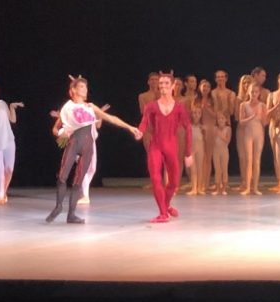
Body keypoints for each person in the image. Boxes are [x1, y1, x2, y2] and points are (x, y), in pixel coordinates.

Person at [48, 76, 141, 223]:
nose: (85, 90)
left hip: (88, 144)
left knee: (78, 180)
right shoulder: (67, 107)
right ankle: (58, 206)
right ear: (73, 90)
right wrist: (61, 134)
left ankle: (71, 214)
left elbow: (111, 118)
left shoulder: (90, 107)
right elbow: (56, 129)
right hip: (74, 141)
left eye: (86, 87)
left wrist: (130, 127)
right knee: (62, 175)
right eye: (81, 87)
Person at [138, 71, 194, 223]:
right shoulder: (151, 106)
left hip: (171, 146)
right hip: (155, 146)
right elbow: (144, 122)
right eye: (160, 83)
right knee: (156, 179)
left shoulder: (179, 107)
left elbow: (188, 128)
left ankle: (166, 205)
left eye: (166, 83)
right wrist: (140, 132)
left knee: (174, 182)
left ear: (172, 86)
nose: (162, 86)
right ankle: (163, 213)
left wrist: (188, 153)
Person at [238, 82, 270, 195]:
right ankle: (247, 187)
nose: (254, 94)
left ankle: (255, 187)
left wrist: (262, 117)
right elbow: (241, 122)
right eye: (252, 92)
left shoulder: (262, 105)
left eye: (256, 92)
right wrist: (251, 117)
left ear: (259, 93)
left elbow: (265, 122)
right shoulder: (243, 105)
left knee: (256, 161)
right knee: (249, 160)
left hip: (258, 134)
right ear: (248, 92)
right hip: (248, 133)